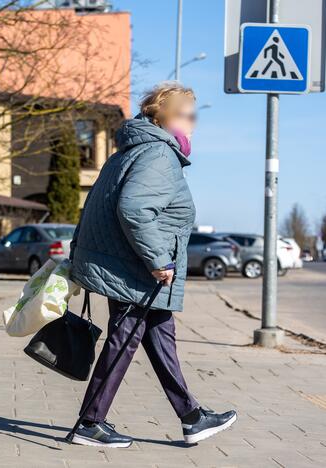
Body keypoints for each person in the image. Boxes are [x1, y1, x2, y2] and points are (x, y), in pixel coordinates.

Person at [68, 83, 236, 447]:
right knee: (125, 339)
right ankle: (89, 422)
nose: (193, 123)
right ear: (166, 117)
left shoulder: (132, 151)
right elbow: (134, 209)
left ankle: (192, 418)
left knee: (160, 338)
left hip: (128, 264)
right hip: (138, 268)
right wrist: (159, 259)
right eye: (187, 115)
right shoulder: (158, 154)